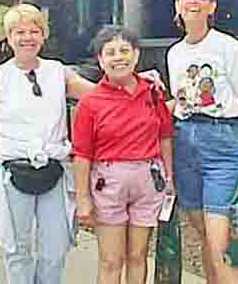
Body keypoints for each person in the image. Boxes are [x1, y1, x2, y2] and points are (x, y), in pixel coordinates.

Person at [0, 2, 96, 284]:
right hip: (14, 172)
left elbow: (98, 95)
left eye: (34, 30)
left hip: (53, 169)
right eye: (19, 32)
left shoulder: (59, 72)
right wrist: (5, 142)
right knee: (17, 249)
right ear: (9, 37)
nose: (27, 37)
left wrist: (134, 82)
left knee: (55, 249)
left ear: (43, 35)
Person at [166, 0, 238, 284]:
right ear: (177, 6)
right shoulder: (175, 53)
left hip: (224, 142)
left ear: (212, 7)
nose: (193, 1)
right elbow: (181, 101)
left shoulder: (229, 48)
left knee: (219, 238)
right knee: (204, 233)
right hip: (185, 141)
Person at [72, 26, 175, 284]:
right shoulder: (90, 102)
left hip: (148, 179)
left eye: (124, 50)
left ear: (136, 55)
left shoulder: (152, 93)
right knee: (111, 260)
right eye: (110, 52)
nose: (119, 57)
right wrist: (83, 198)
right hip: (109, 182)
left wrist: (169, 178)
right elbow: (82, 154)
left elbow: (164, 136)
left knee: (138, 255)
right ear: (100, 60)